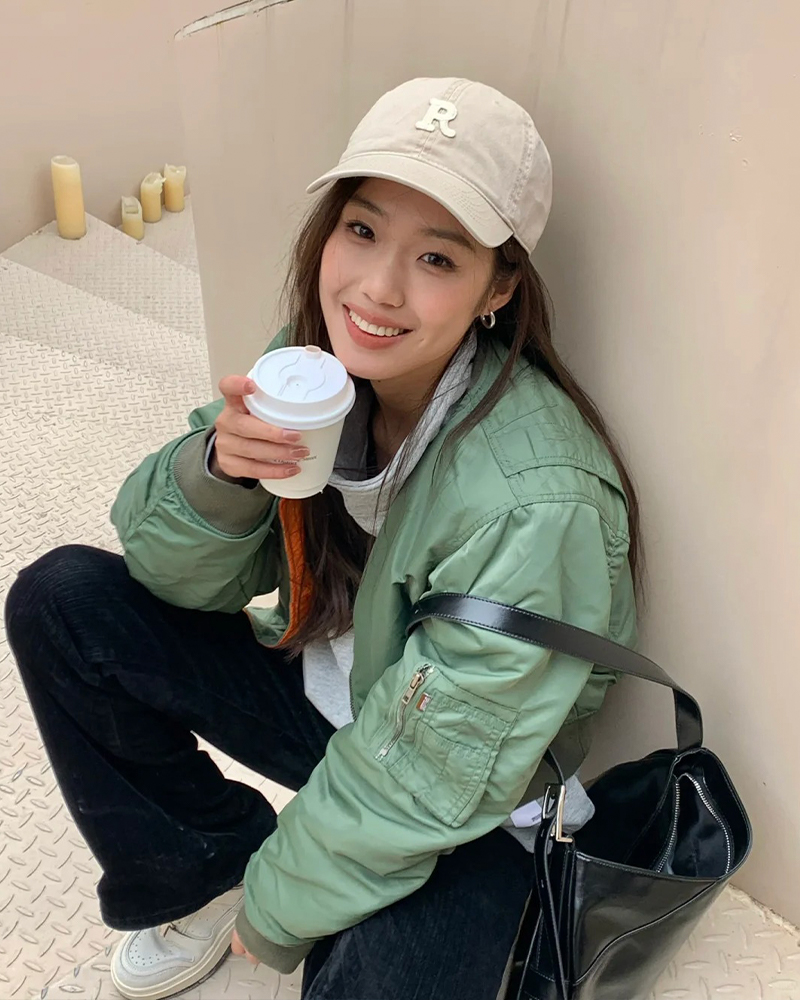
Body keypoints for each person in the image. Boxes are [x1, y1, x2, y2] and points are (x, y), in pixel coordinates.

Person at [4, 77, 640, 1000]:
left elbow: (440, 765)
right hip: (339, 697)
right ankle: (203, 869)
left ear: (498, 288)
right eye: (363, 229)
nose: (376, 289)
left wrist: (282, 902)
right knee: (63, 603)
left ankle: (311, 880)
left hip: (479, 795)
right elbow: (170, 577)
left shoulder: (535, 503)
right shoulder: (312, 368)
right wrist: (220, 473)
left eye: (437, 257)